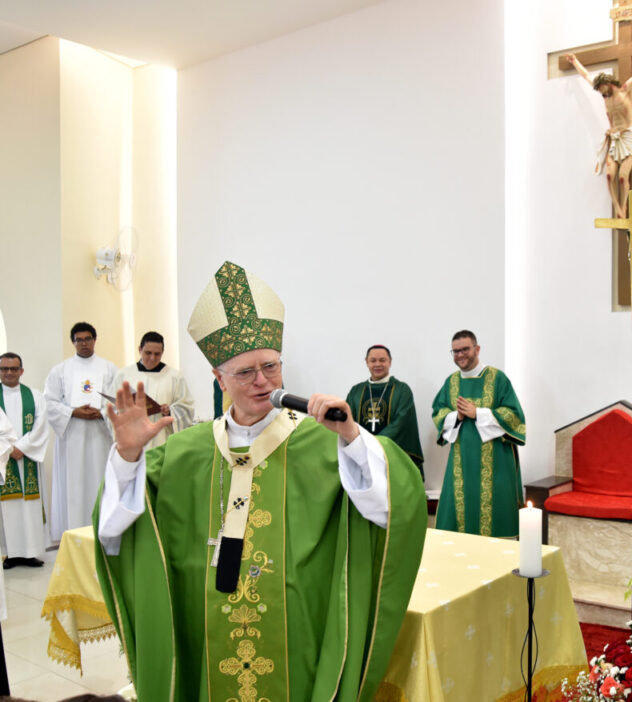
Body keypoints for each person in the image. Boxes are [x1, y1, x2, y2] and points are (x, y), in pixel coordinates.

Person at [95, 261, 427, 701]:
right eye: (245, 372)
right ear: (219, 379)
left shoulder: (321, 436)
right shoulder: (186, 449)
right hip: (205, 635)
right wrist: (129, 454)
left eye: (270, 366)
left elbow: (392, 508)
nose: (262, 381)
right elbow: (116, 528)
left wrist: (350, 436)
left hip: (297, 635)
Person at [567, 33, 632, 219]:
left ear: (608, 83)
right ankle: (617, 206)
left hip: (628, 136)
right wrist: (575, 62)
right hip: (614, 138)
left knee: (623, 177)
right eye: (599, 91)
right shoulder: (604, 95)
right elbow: (586, 76)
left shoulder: (625, 89)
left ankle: (624, 206)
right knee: (610, 176)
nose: (602, 94)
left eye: (602, 89)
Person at [431, 330, 525, 536]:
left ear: (477, 349)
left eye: (465, 349)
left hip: (496, 462)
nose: (460, 355)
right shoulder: (451, 382)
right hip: (461, 460)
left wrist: (478, 413)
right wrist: (456, 416)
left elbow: (514, 416)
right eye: (455, 351)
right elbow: (438, 413)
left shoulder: (497, 378)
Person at [45, 322, 117, 541]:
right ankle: (74, 536)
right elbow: (50, 402)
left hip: (99, 436)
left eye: (87, 339)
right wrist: (74, 412)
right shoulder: (60, 370)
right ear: (73, 342)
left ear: (95, 340)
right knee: (73, 487)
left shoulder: (109, 368)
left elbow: (118, 400)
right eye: (79, 340)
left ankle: (102, 535)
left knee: (99, 482)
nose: (83, 343)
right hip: (72, 436)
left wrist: (103, 412)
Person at [0, 352, 49, 568]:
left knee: (29, 506)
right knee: (8, 509)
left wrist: (22, 447)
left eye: (13, 368)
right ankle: (10, 554)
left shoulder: (35, 395)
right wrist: (8, 449)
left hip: (27, 458)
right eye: (4, 369)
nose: (9, 372)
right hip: (3, 459)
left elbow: (42, 425)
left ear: (21, 370)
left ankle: (30, 552)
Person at [346, 344, 424, 477]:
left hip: (392, 455)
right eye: (373, 360)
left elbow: (402, 423)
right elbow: (347, 420)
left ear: (390, 362)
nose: (378, 364)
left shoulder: (402, 390)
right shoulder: (356, 391)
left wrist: (374, 443)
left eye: (382, 360)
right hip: (362, 455)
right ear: (366, 362)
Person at [108, 331, 195, 451]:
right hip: (133, 439)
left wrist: (169, 411)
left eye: (157, 354)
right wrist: (124, 411)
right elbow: (110, 408)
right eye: (148, 353)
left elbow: (187, 408)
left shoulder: (174, 376)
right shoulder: (123, 375)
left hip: (162, 440)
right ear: (139, 349)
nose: (152, 358)